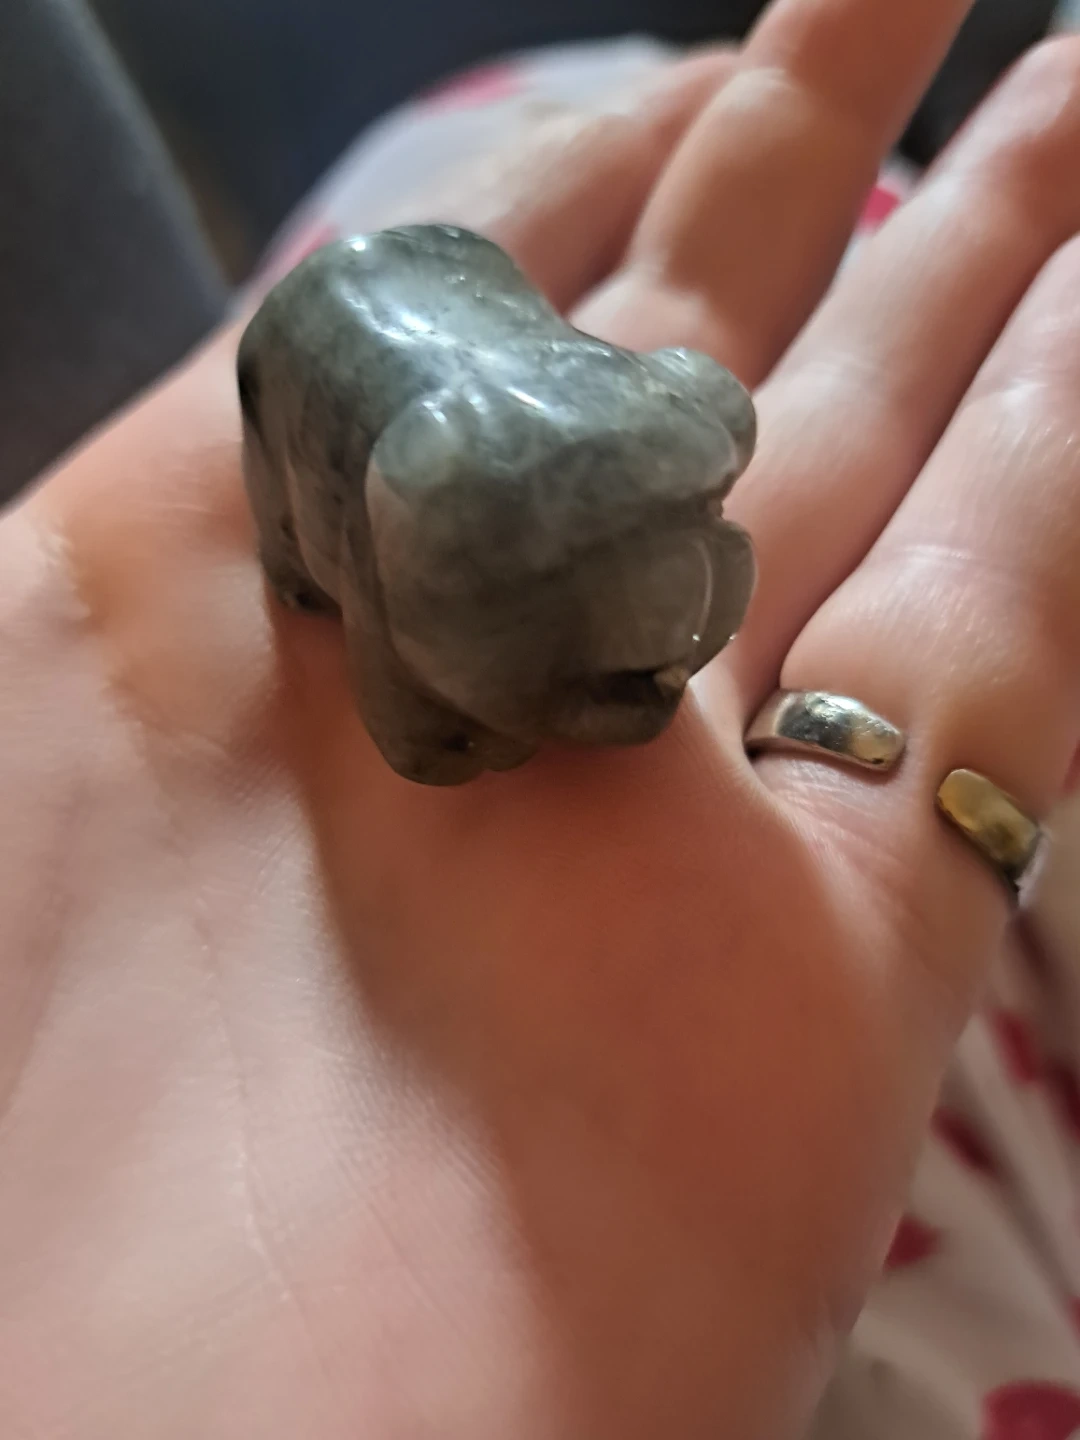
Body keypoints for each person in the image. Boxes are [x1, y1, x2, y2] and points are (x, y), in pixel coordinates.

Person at [1, 1, 1079, 1436]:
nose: (669, 653)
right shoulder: (422, 528)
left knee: (583, 107)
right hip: (379, 390)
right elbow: (413, 685)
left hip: (460, 344)